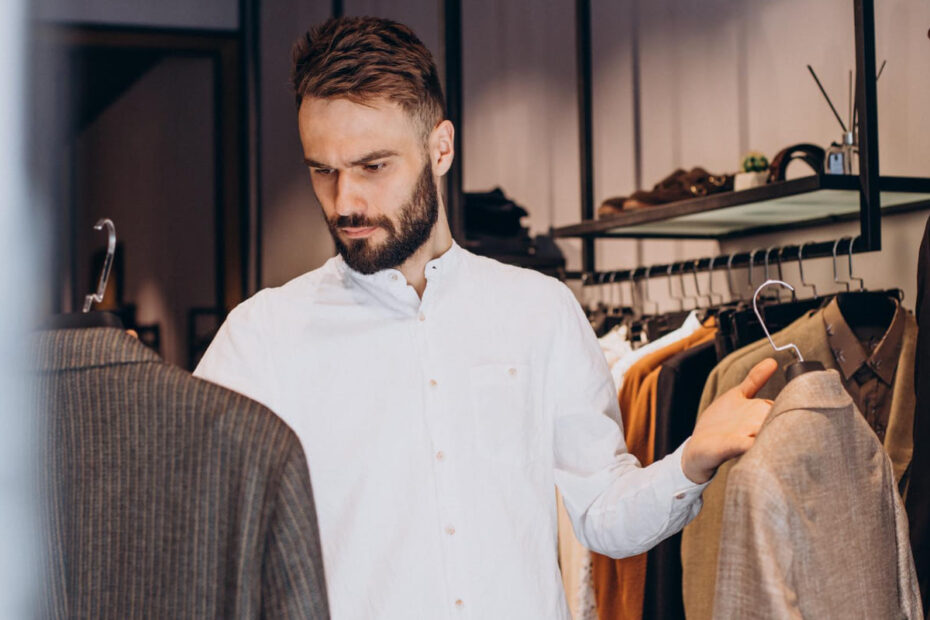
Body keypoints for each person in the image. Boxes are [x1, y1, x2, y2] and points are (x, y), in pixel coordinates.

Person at [194, 16, 776, 619]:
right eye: (323, 170)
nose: (345, 202)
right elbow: (189, 528)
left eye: (373, 167)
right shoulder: (263, 337)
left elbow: (603, 514)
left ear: (440, 148)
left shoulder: (539, 311)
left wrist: (690, 459)